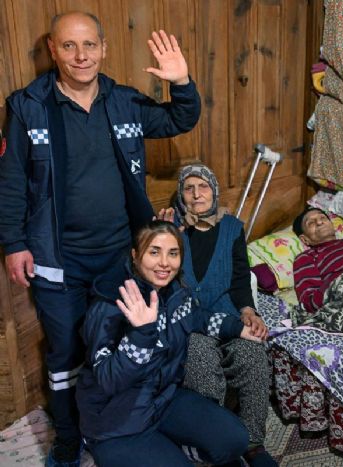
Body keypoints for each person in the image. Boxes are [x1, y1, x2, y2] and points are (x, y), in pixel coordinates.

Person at [0, 11, 200, 466]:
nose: (81, 55)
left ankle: (124, 425)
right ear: (53, 50)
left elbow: (179, 119)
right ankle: (69, 441)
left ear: (104, 48)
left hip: (121, 257)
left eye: (89, 44)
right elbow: (10, 182)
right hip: (57, 261)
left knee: (121, 343)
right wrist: (14, 243)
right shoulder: (28, 106)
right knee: (66, 352)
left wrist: (181, 82)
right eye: (69, 46)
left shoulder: (123, 100)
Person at [76, 220, 254, 467]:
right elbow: (109, 380)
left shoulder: (174, 291)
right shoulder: (110, 305)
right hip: (115, 424)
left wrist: (237, 327)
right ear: (135, 255)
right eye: (154, 252)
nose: (164, 263)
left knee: (235, 440)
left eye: (173, 253)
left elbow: (195, 317)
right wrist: (141, 334)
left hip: (163, 400)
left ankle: (175, 450)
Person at [168, 163, 277, 467]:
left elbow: (240, 278)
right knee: (200, 360)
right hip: (192, 323)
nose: (196, 194)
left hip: (229, 314)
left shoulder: (232, 228)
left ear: (213, 191)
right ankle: (217, 443)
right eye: (188, 188)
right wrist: (171, 234)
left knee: (253, 352)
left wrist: (248, 311)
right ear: (181, 196)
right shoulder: (173, 230)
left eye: (203, 186)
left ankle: (253, 443)